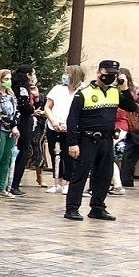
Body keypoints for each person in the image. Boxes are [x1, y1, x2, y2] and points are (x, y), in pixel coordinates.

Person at [65, 59, 137, 222]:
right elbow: (72, 119)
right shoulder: (83, 93)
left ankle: (97, 207)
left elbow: (131, 107)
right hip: (87, 139)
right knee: (81, 173)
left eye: (113, 74)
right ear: (99, 73)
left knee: (104, 174)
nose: (110, 77)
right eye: (107, 73)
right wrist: (73, 143)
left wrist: (124, 88)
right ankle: (72, 208)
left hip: (106, 139)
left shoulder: (115, 92)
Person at [44, 65, 84, 194]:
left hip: (71, 128)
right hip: (54, 125)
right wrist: (53, 120)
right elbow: (48, 107)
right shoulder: (57, 89)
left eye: (67, 74)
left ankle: (68, 181)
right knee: (55, 153)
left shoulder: (83, 90)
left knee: (70, 155)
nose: (65, 76)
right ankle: (57, 181)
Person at [8, 65, 39, 197]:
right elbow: (24, 106)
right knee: (22, 151)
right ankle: (14, 183)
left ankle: (14, 182)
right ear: (27, 75)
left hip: (25, 121)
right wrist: (33, 110)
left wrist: (36, 99)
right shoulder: (21, 88)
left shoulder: (25, 88)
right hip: (22, 122)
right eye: (33, 74)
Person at [0, 69, 19, 197]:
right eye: (5, 79)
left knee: (7, 158)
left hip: (11, 129)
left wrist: (15, 126)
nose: (8, 82)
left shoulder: (11, 95)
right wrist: (9, 124)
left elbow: (16, 112)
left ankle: (2, 186)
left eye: (10, 79)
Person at [117, 68, 139, 188]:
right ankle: (124, 182)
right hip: (127, 130)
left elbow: (133, 109)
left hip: (134, 130)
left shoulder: (134, 93)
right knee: (126, 157)